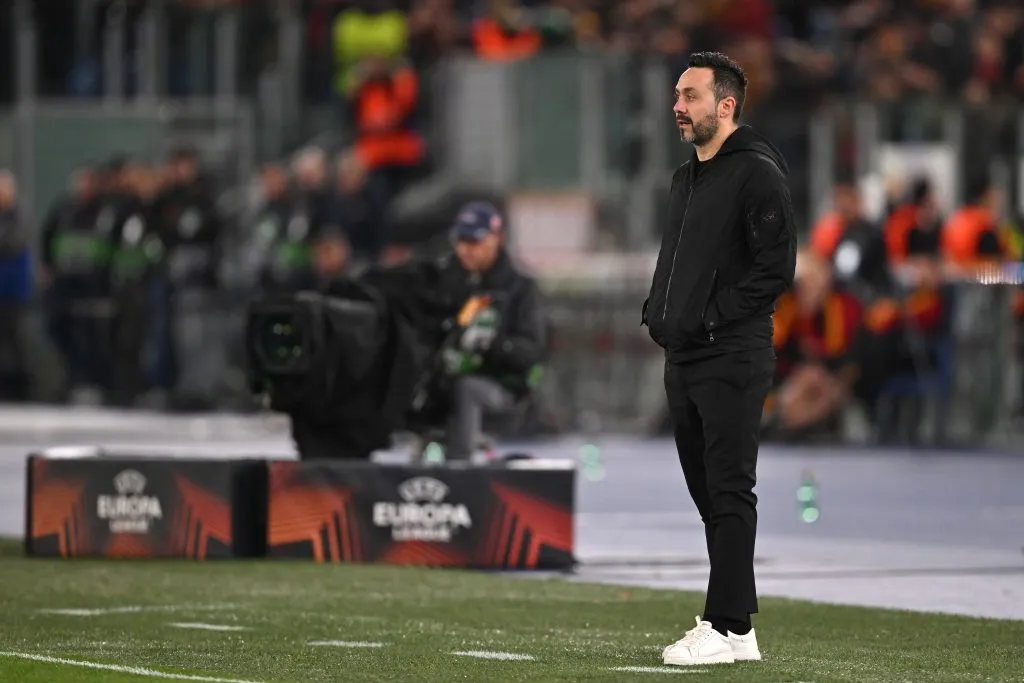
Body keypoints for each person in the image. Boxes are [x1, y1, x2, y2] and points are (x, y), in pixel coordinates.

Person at [641, 52, 796, 666]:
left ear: (725, 105)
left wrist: (709, 316)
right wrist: (659, 312)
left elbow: (775, 270)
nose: (677, 106)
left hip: (731, 353)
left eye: (690, 95)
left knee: (730, 489)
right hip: (684, 356)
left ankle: (724, 622)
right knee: (710, 494)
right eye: (677, 95)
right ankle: (739, 629)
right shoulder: (687, 177)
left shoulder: (757, 173)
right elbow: (676, 262)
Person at [434, 202, 547, 461]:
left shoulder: (520, 288)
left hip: (502, 385)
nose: (466, 250)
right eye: (461, 241)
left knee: (466, 388)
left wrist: (492, 344)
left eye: (475, 241)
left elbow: (532, 351)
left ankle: (459, 468)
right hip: (446, 376)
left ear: (498, 238)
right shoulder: (447, 282)